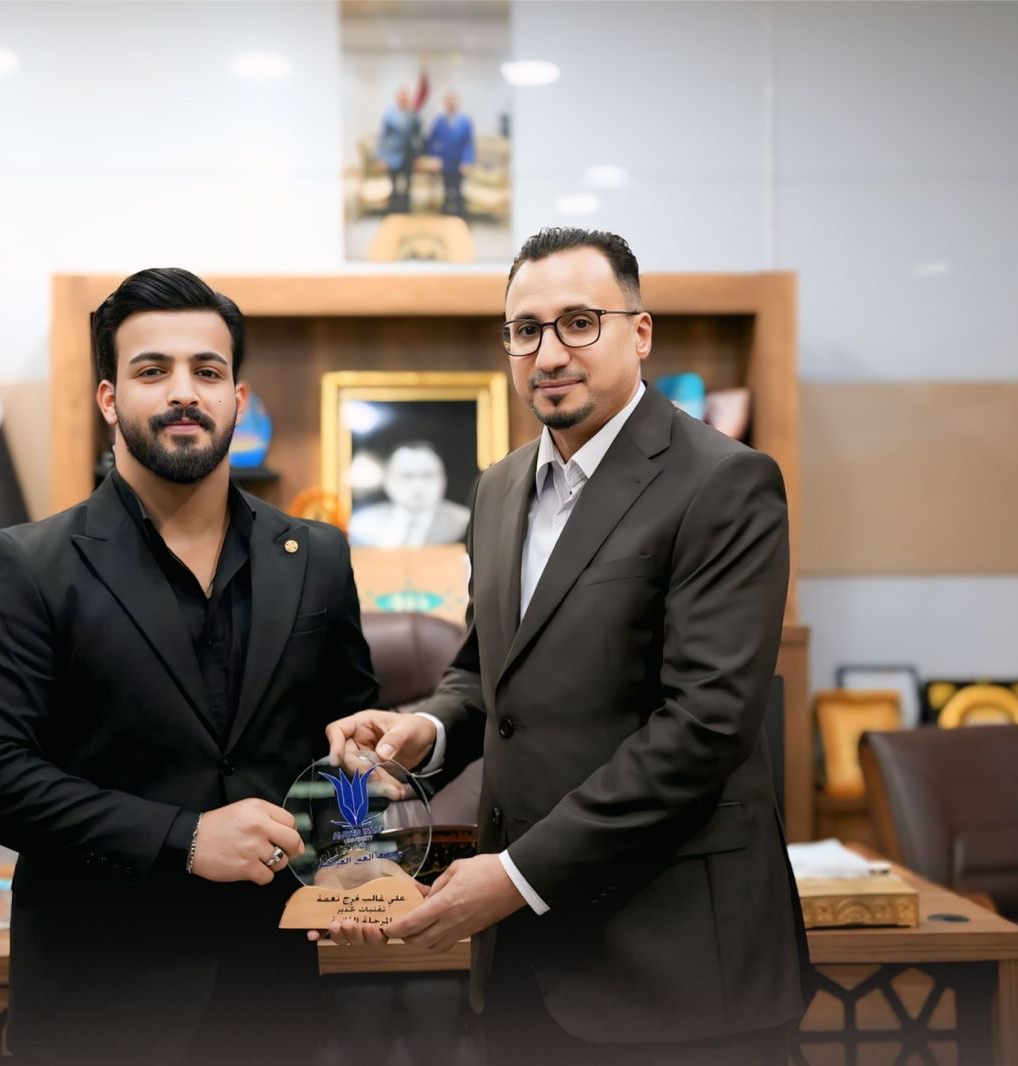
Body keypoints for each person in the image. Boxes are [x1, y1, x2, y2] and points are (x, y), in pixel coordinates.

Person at [323, 228, 813, 1064]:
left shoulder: (724, 482)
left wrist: (516, 875)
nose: (548, 353)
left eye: (579, 323)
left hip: (678, 971)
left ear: (640, 332)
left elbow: (705, 724)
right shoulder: (498, 487)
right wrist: (425, 730)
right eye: (525, 330)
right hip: (524, 965)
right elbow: (487, 673)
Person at [0, 267, 379, 1064]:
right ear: (109, 398)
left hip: (274, 995)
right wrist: (184, 838)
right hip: (98, 998)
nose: (184, 392)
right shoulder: (31, 564)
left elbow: (346, 746)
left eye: (207, 372)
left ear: (238, 398)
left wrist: (351, 857)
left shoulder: (316, 556)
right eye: (153, 371)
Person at [347, 440, 472, 547]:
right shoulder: (362, 524)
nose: (418, 486)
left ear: (443, 480)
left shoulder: (465, 522)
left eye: (427, 475)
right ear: (388, 481)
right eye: (407, 476)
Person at [425, 91, 476, 216]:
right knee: (446, 190)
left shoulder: (465, 121)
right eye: (448, 101)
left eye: (453, 101)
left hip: (460, 163)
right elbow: (431, 141)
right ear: (444, 103)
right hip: (444, 162)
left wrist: (467, 161)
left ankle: (460, 216)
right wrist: (435, 157)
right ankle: (446, 215)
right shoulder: (439, 120)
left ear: (457, 102)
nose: (451, 104)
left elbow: (468, 144)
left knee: (458, 190)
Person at [376, 85, 420, 213]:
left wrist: (418, 156)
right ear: (397, 97)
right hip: (393, 157)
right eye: (401, 96)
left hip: (409, 156)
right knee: (394, 186)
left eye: (406, 96)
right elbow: (383, 137)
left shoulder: (413, 115)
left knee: (408, 187)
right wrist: (382, 157)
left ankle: (406, 211)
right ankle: (393, 212)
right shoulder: (389, 115)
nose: (404, 98)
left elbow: (418, 137)